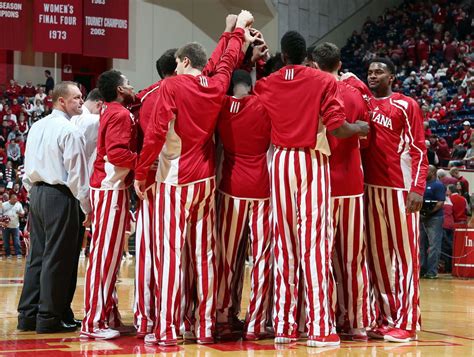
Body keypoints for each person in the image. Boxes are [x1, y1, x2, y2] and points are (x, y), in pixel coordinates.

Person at [134, 10, 252, 346]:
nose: (173, 69)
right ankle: (205, 328)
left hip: (175, 179)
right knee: (205, 256)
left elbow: (155, 133)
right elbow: (225, 61)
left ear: (184, 61)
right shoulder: (215, 85)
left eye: (176, 63)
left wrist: (143, 175)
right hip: (205, 180)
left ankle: (168, 329)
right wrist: (236, 30)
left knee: (170, 255)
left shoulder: (171, 86)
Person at [254, 31, 368, 348]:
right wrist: (359, 127)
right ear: (307, 56)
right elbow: (337, 127)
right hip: (310, 160)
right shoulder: (324, 82)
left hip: (280, 162)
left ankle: (285, 326)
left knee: (284, 244)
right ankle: (320, 328)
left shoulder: (268, 83)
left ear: (284, 56)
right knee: (314, 245)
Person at [343, 57, 428, 343]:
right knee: (378, 259)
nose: (373, 76)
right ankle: (386, 318)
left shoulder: (406, 105)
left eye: (379, 72)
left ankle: (407, 321)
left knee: (406, 258)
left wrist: (418, 187)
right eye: (370, 72)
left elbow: (418, 149)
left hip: (400, 189)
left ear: (392, 76)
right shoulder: (366, 104)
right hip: (370, 187)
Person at [17, 81, 91, 334]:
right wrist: (87, 207)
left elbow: (27, 166)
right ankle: (50, 317)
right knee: (59, 258)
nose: (81, 101)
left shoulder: (37, 126)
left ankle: (28, 315)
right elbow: (77, 175)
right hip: (60, 195)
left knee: (37, 256)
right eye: (76, 98)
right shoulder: (69, 130)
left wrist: (32, 193)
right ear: (61, 101)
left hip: (37, 192)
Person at [312, 42, 371, 341]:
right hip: (352, 183)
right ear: (339, 63)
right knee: (352, 259)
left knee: (317, 258)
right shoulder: (355, 94)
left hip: (320, 184)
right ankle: (357, 321)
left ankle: (321, 321)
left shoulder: (312, 91)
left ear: (314, 64)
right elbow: (366, 139)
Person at [215, 69, 272, 341]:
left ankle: (222, 317)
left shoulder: (222, 105)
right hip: (262, 188)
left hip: (231, 188)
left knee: (225, 258)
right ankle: (256, 323)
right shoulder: (264, 103)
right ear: (250, 85)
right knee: (261, 259)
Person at [81, 70, 137, 340]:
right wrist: (146, 159)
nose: (131, 86)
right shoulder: (119, 114)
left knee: (110, 259)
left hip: (110, 187)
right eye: (127, 84)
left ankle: (109, 315)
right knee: (104, 258)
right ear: (118, 90)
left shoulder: (113, 110)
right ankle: (93, 322)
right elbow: (117, 154)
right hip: (110, 188)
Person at [133, 48, 177, 338]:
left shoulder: (144, 97)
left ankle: (146, 318)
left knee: (151, 253)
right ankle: (173, 318)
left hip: (150, 180)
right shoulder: (186, 92)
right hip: (166, 179)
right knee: (171, 254)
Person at [419, 165, 446, 279]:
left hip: (434, 218)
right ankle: (422, 269)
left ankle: (432, 271)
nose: (425, 172)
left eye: (427, 171)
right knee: (421, 244)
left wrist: (429, 212)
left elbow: (440, 203)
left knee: (434, 245)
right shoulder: (422, 183)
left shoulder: (438, 185)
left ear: (433, 172)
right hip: (421, 217)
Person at [0, 193, 25, 259]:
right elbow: (0, 214)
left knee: (17, 241)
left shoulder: (19, 204)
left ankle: (18, 254)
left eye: (16, 199)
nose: (15, 200)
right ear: (10, 199)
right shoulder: (4, 204)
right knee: (6, 241)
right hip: (5, 226)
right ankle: (8, 254)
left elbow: (22, 214)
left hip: (15, 226)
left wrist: (19, 213)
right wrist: (3, 221)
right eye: (14, 199)